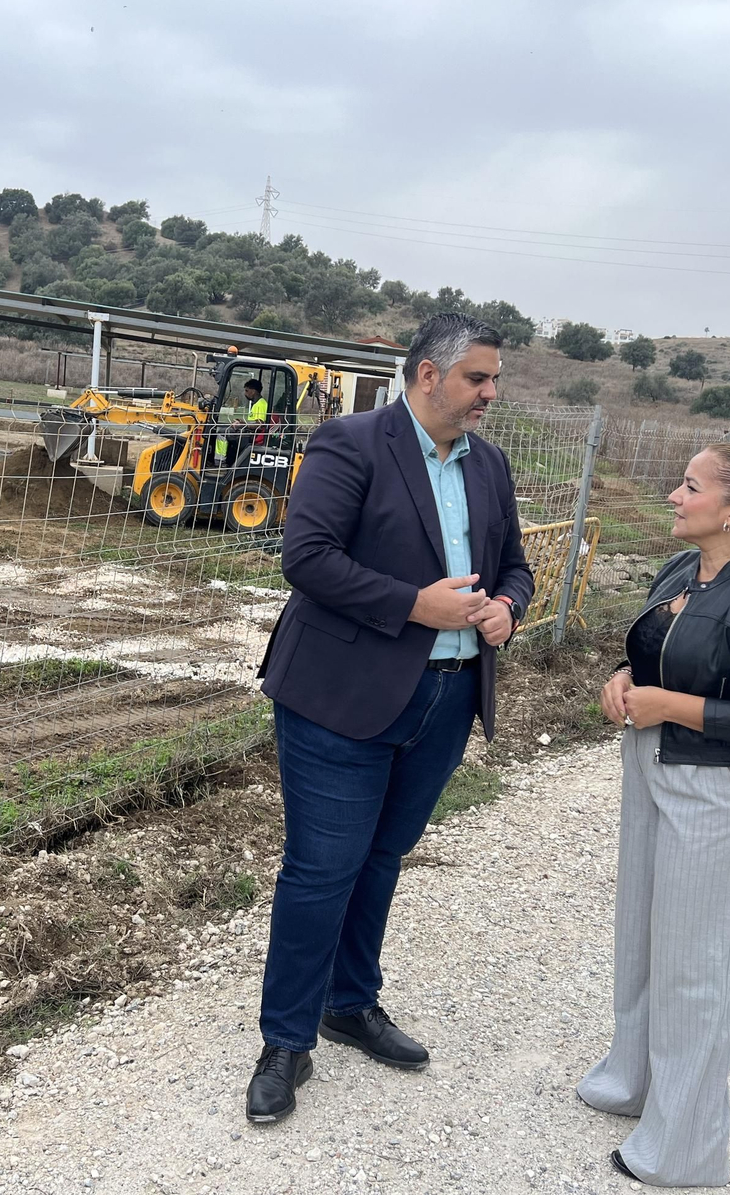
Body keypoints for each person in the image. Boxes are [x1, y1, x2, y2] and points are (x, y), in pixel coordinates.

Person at [247, 312, 535, 1123]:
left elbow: (515, 566)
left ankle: (349, 1003)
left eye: (495, 379)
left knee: (381, 858)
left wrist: (509, 606)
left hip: (447, 698)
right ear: (428, 374)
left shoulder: (490, 464)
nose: (490, 393)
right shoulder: (350, 443)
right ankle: (286, 1040)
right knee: (321, 869)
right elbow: (307, 559)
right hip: (341, 697)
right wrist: (415, 605)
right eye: (478, 378)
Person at [577, 442, 730, 1186]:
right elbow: (661, 655)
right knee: (643, 939)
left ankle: (684, 1147)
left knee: (698, 967)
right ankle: (635, 1080)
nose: (674, 497)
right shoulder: (682, 569)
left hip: (720, 794)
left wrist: (669, 705)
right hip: (651, 769)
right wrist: (623, 678)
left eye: (690, 486)